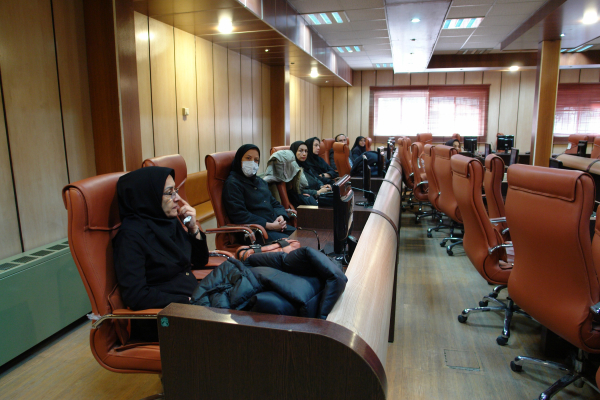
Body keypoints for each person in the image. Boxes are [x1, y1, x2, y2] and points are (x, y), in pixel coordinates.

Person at [113, 166, 210, 341]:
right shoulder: (130, 237)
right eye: (169, 193)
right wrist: (186, 301)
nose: (177, 198)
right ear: (148, 195)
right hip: (165, 318)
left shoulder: (166, 221)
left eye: (176, 191)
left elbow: (200, 260)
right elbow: (136, 296)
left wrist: (193, 228)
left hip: (193, 303)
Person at [223, 144, 295, 242]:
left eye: (256, 160)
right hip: (254, 232)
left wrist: (280, 217)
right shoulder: (232, 184)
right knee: (294, 244)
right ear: (239, 160)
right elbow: (240, 215)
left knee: (305, 236)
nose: (252, 162)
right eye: (248, 158)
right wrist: (270, 226)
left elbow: (274, 203)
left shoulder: (260, 181)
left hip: (273, 225)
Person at [289, 141, 332, 206]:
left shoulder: (306, 165)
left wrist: (322, 186)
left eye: (306, 151)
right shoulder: (292, 169)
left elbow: (315, 178)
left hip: (316, 196)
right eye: (300, 151)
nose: (304, 154)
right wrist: (317, 192)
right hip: (304, 201)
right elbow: (296, 191)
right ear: (294, 152)